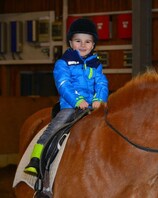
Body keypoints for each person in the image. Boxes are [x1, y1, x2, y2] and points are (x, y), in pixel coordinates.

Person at [24, 18, 109, 175]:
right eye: (78, 40)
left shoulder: (96, 65)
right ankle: (36, 159)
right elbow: (64, 85)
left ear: (93, 45)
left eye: (87, 41)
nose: (83, 45)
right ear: (71, 43)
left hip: (93, 106)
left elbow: (102, 83)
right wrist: (78, 100)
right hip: (71, 106)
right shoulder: (63, 63)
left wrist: (99, 99)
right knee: (56, 126)